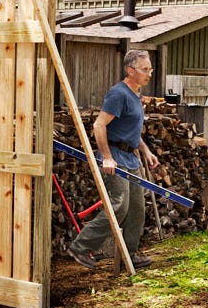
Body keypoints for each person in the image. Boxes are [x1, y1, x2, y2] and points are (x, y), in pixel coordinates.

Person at [68, 49, 159, 270]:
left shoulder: (136, 95)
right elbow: (99, 125)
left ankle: (130, 254)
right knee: (119, 205)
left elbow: (132, 131)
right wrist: (107, 157)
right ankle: (80, 247)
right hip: (115, 158)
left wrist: (146, 151)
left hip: (131, 157)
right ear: (131, 70)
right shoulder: (118, 94)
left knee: (137, 208)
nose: (150, 73)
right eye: (145, 69)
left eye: (150, 69)